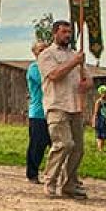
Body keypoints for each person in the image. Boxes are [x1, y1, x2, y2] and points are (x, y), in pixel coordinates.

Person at [37, 19, 93, 198]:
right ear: (55, 33)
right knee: (63, 144)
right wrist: (74, 62)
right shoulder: (47, 55)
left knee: (78, 148)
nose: (67, 35)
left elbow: (88, 79)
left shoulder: (76, 55)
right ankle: (50, 181)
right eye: (64, 32)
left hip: (75, 105)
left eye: (69, 32)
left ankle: (69, 183)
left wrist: (87, 83)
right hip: (57, 105)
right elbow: (54, 75)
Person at [24, 39, 51, 184]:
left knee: (55, 144)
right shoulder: (34, 68)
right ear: (35, 53)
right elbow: (47, 80)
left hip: (52, 111)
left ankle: (54, 174)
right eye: (40, 50)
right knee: (37, 144)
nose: (43, 53)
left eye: (46, 50)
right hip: (38, 112)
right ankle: (32, 173)